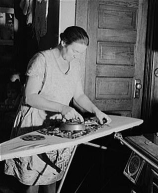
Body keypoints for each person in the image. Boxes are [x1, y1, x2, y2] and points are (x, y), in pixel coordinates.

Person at [4, 26, 111, 193]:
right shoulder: (41, 59)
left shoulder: (74, 65)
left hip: (56, 127)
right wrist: (62, 108)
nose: (77, 56)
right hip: (34, 124)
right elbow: (30, 97)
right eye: (75, 51)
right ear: (63, 42)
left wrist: (96, 111)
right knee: (33, 180)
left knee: (52, 176)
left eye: (80, 53)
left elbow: (79, 95)